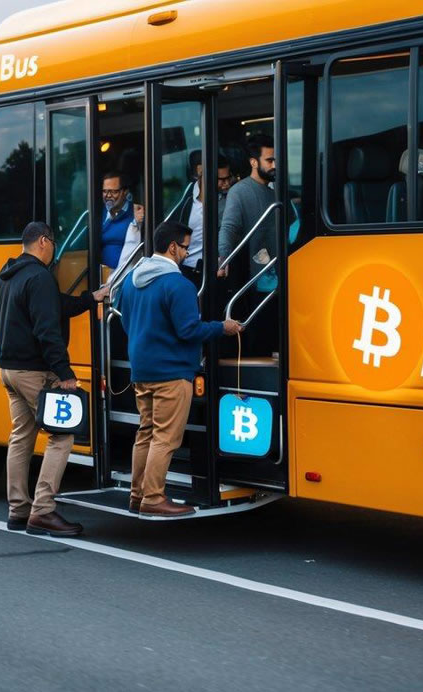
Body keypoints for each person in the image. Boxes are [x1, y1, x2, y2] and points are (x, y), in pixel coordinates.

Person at [117, 220, 243, 516]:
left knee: (145, 433)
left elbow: (125, 321)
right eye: (185, 247)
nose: (188, 253)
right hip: (172, 372)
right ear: (172, 247)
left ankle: (137, 495)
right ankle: (153, 498)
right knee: (165, 438)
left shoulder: (131, 280)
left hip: (142, 370)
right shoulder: (179, 284)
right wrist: (221, 327)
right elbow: (189, 330)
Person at [0, 221, 109, 536]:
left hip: (8, 369)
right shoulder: (40, 277)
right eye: (54, 243)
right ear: (44, 242)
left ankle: (18, 510)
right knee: (62, 435)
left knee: (21, 436)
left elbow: (57, 306)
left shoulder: (7, 276)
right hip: (33, 370)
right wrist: (65, 373)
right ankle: (43, 511)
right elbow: (47, 331)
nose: (54, 250)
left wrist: (90, 298)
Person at [217, 134, 278, 354]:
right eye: (269, 160)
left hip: (278, 277)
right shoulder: (240, 191)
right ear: (254, 162)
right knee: (259, 340)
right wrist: (224, 257)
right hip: (257, 280)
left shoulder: (275, 193)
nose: (274, 165)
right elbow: (229, 227)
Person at [180, 154, 234, 286]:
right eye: (221, 180)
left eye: (228, 178)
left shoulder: (230, 199)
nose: (226, 184)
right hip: (186, 268)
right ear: (203, 175)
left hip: (215, 269)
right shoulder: (187, 195)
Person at [101, 171, 142, 269]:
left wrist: (139, 222)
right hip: (98, 276)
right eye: (105, 191)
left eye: (113, 192)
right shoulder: (97, 213)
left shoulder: (136, 213)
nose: (108, 195)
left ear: (125, 192)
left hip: (122, 276)